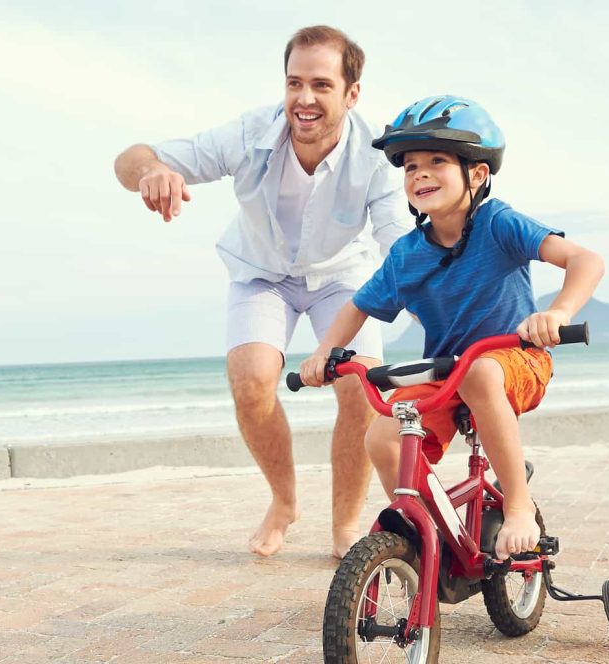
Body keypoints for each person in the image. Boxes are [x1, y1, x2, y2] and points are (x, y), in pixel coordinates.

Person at [113, 26, 410, 558]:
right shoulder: (251, 132)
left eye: (321, 84)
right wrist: (151, 171)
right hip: (260, 273)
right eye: (294, 82)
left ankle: (344, 524)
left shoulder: (376, 156)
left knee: (360, 389)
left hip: (341, 276)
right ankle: (284, 501)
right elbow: (129, 158)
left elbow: (399, 246)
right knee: (251, 380)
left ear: (352, 93)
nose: (304, 99)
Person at [299, 95, 605, 560]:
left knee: (482, 370)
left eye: (437, 161)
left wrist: (558, 312)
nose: (420, 174)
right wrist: (325, 352)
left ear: (477, 174)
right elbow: (356, 307)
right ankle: (428, 528)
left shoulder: (497, 222)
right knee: (381, 435)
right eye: (410, 166)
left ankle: (519, 507)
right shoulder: (405, 254)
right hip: (447, 373)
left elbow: (585, 260)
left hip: (515, 361)